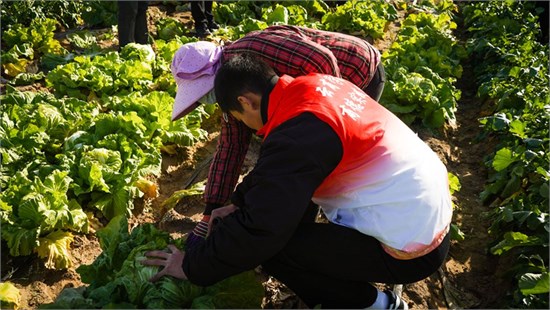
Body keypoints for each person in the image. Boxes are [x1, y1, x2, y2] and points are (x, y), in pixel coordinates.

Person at [143, 54, 452, 309]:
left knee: (275, 250)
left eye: (238, 117)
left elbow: (262, 230)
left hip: (411, 249)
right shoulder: (313, 87)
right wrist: (238, 202)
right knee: (286, 224)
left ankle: (378, 305)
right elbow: (277, 172)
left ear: (247, 101)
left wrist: (191, 266)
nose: (244, 125)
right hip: (424, 215)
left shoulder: (300, 134)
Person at [169, 25, 386, 249]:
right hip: (317, 90)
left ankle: (313, 239)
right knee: (299, 162)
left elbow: (323, 59)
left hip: (356, 70)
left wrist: (325, 107)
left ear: (211, 72)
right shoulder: (232, 89)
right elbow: (230, 147)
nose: (204, 100)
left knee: (316, 163)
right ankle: (296, 233)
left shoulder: (254, 52)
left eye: (202, 93)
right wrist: (210, 209)